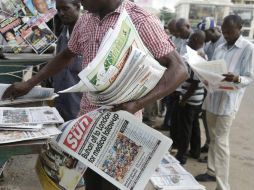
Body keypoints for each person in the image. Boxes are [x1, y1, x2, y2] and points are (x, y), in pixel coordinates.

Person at [2, 0, 187, 189]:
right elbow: (67, 54)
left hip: (121, 125)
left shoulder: (140, 20)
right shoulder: (86, 20)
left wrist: (138, 104)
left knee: (112, 186)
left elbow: (179, 70)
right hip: (88, 125)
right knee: (92, 184)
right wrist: (30, 83)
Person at [195, 15, 254, 190]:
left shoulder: (248, 48)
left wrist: (237, 78)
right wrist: (205, 75)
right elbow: (213, 70)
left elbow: (249, 77)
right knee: (213, 139)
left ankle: (223, 186)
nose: (226, 35)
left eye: (229, 32)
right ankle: (211, 171)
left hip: (227, 104)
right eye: (224, 31)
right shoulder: (220, 46)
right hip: (213, 99)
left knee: (221, 143)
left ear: (240, 28)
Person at [175, 30, 206, 164]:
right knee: (194, 126)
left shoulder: (197, 57)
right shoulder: (203, 54)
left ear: (198, 41)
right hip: (197, 99)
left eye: (191, 40)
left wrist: (184, 99)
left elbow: (194, 82)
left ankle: (182, 156)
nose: (188, 42)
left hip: (191, 99)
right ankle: (195, 151)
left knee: (185, 128)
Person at [197, 17, 226, 156]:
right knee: (205, 116)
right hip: (209, 87)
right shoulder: (209, 44)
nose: (204, 37)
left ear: (213, 30)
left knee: (218, 127)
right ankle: (208, 143)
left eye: (206, 33)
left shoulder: (224, 43)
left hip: (221, 90)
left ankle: (212, 149)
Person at [52, 0, 82, 121]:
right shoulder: (63, 33)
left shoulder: (88, 34)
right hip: (61, 104)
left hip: (79, 109)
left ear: (77, 7)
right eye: (58, 10)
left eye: (65, 9)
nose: (61, 13)